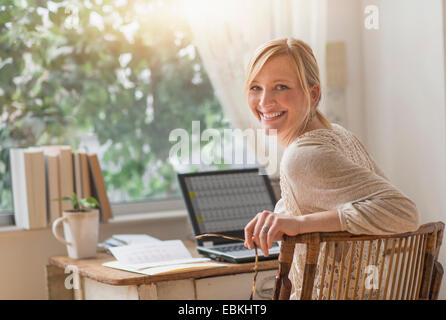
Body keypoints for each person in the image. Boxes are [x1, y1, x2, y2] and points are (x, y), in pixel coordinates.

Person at [242, 38, 420, 299]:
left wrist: (299, 223)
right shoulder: (338, 135)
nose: (265, 101)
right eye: (256, 87)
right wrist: (284, 218)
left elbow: (404, 212)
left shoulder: (303, 156)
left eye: (281, 86)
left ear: (313, 94)